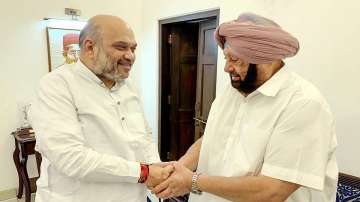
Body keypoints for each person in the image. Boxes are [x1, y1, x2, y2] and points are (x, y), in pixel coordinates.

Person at [152, 13, 338, 202]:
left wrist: (192, 181)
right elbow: (211, 140)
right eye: (226, 58)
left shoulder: (303, 103)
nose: (227, 68)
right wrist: (179, 167)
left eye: (236, 60)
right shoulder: (233, 91)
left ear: (266, 58)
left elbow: (273, 190)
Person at [31, 15, 173, 202]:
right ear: (90, 48)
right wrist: (144, 173)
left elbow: (143, 136)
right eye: (121, 47)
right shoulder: (57, 85)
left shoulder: (129, 86)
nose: (130, 56)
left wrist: (156, 167)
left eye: (133, 48)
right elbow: (70, 158)